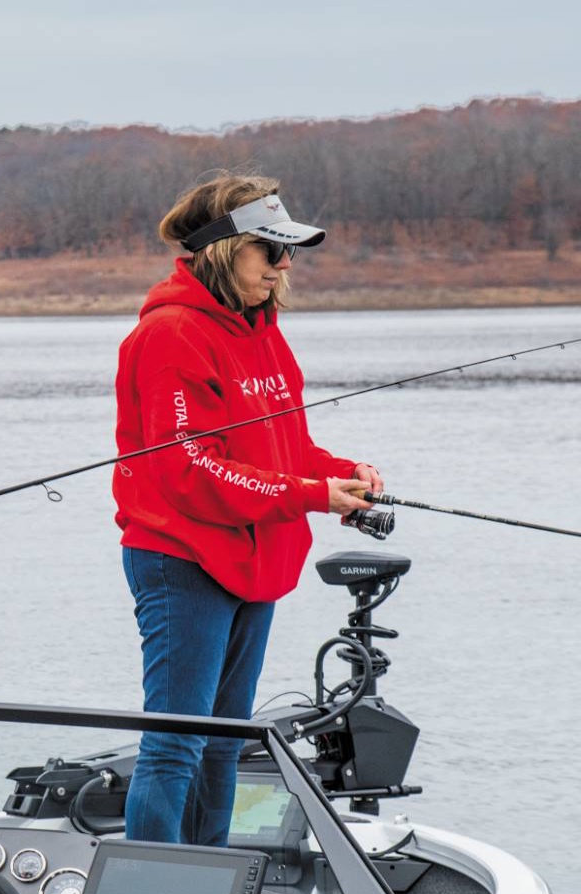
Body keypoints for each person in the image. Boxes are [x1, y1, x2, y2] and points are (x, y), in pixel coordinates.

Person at [113, 174, 381, 846]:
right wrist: (310, 496)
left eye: (289, 252)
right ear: (224, 251)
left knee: (226, 741)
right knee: (176, 742)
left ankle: (207, 884)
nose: (285, 266)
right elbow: (190, 468)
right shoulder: (170, 334)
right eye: (272, 250)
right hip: (182, 559)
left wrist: (340, 473)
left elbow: (284, 446)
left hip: (250, 558)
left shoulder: (263, 331)